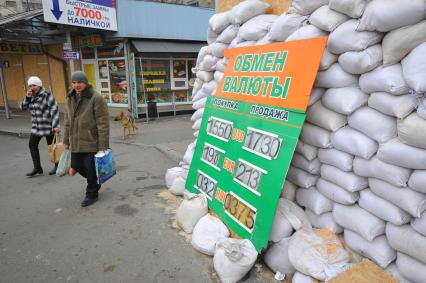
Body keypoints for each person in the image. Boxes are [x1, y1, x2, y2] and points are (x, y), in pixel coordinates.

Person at [63, 71, 110, 207]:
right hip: (76, 140)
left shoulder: (96, 98)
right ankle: (95, 182)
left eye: (79, 82)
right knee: (76, 165)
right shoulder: (71, 98)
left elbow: (103, 123)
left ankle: (91, 194)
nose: (76, 85)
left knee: (90, 169)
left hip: (91, 140)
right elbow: (67, 121)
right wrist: (66, 140)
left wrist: (103, 144)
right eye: (74, 82)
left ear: (86, 83)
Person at [21, 76, 60, 177]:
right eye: (30, 85)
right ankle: (37, 168)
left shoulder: (47, 95)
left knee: (53, 147)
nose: (31, 87)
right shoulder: (30, 96)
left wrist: (55, 126)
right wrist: (27, 98)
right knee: (32, 145)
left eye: (33, 85)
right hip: (36, 127)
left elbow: (54, 111)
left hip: (48, 126)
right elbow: (22, 108)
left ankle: (57, 165)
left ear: (39, 85)